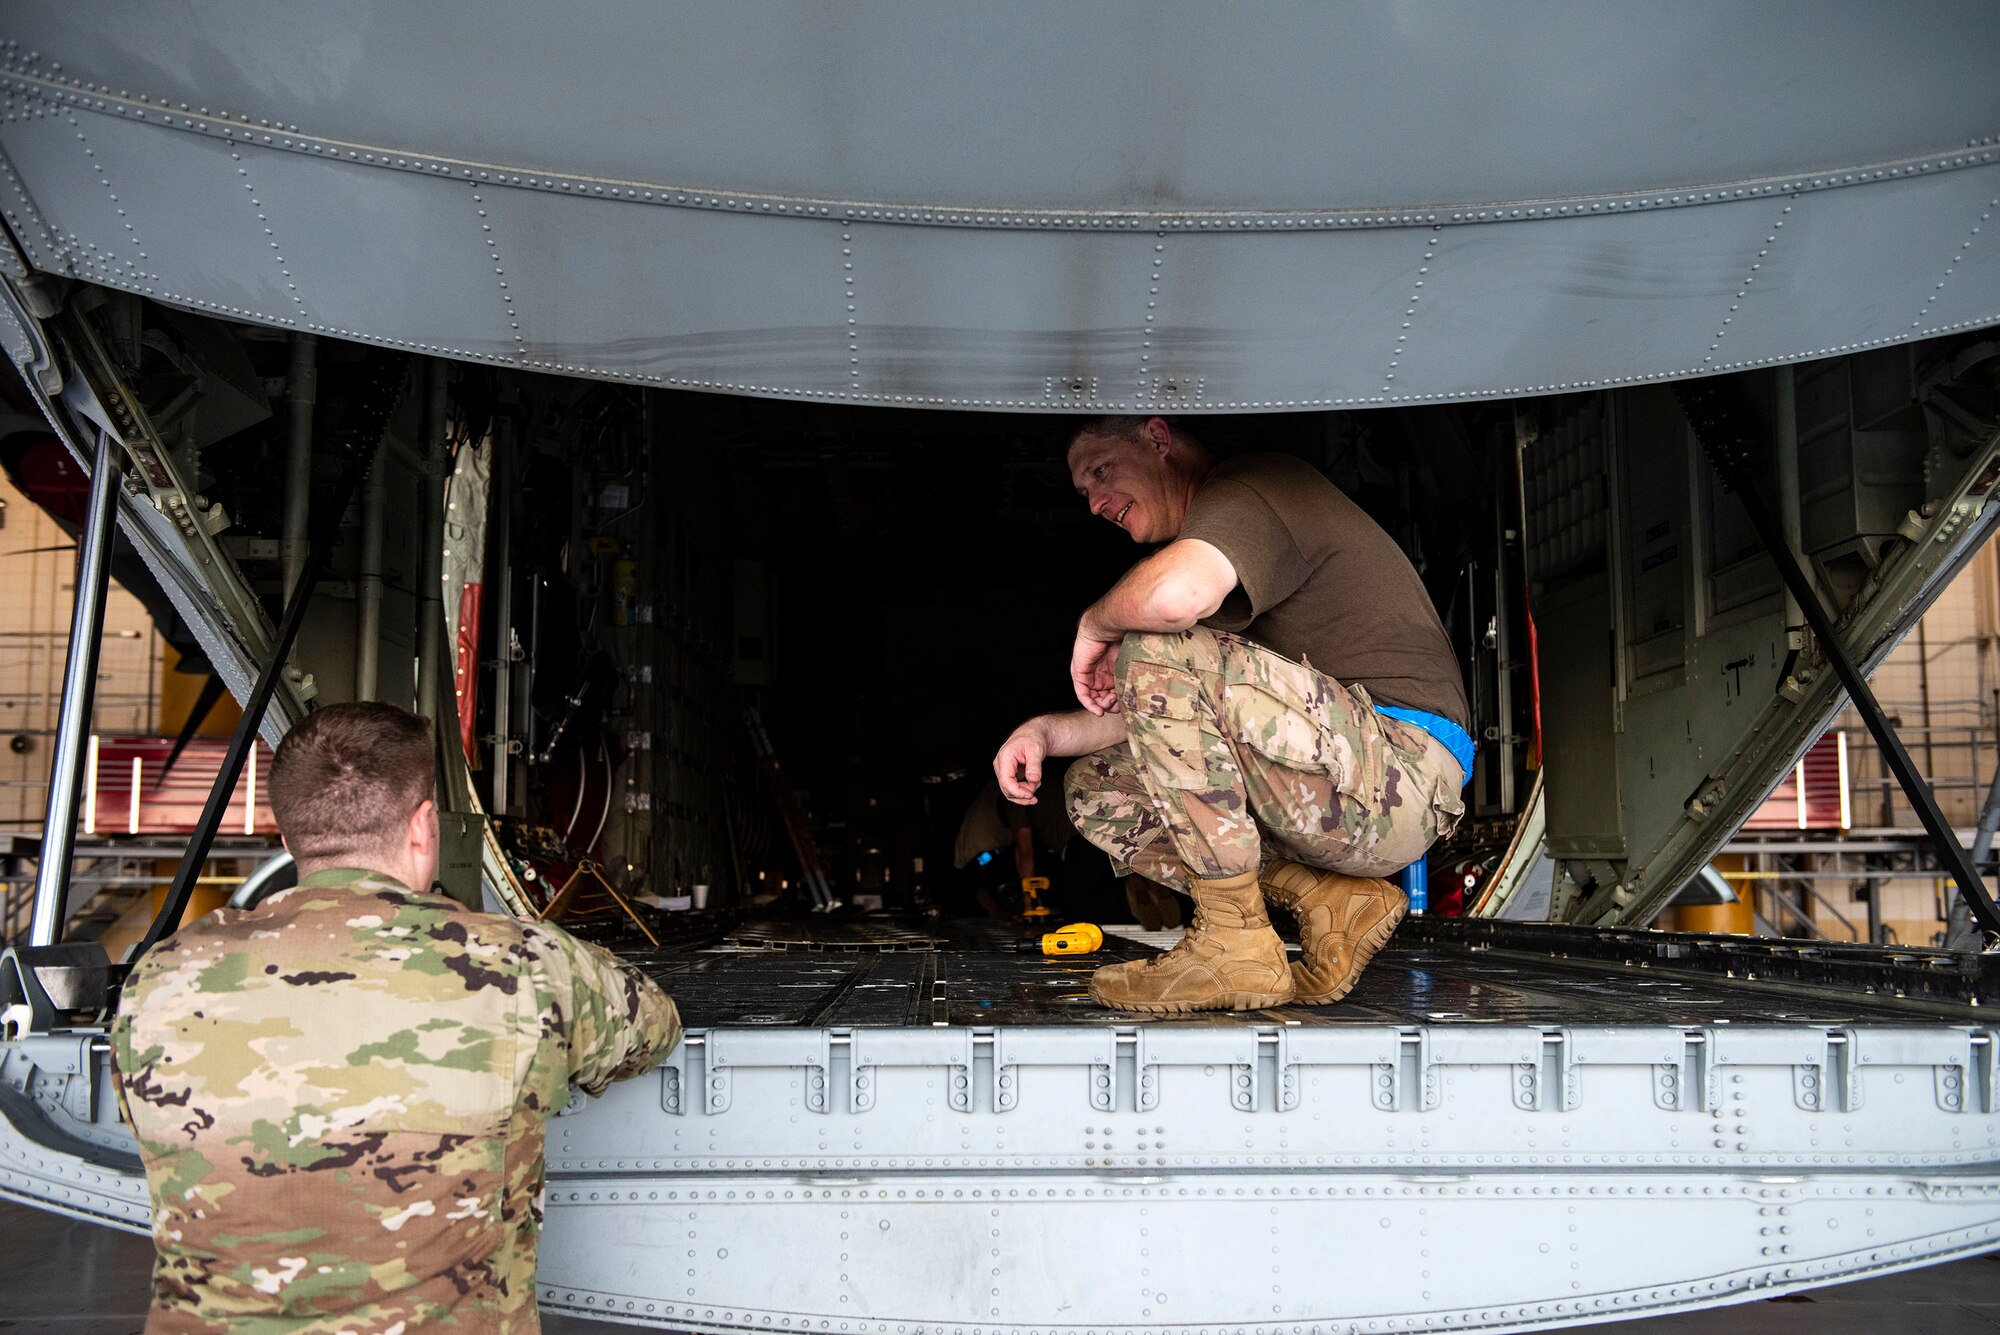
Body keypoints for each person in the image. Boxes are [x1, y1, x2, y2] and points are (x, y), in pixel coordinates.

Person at [110, 702, 681, 1333]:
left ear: (289, 835)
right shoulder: (525, 964)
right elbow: (653, 1026)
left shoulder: (160, 979)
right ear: (423, 827)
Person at [992, 416, 1470, 1013]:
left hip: (1402, 771)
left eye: (1101, 471)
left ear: (1158, 439)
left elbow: (1168, 611)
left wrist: (1097, 622)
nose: (1093, 503)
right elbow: (1164, 711)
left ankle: (1233, 944)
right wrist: (1043, 732)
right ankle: (1325, 899)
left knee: (1154, 637)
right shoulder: (1223, 560)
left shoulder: (1253, 488)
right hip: (1347, 783)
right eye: (1083, 490)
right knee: (1098, 786)